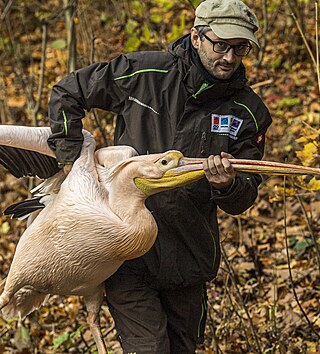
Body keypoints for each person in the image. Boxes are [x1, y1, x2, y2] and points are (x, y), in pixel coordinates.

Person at [46, 0, 272, 352]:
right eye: (221, 45)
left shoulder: (248, 112)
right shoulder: (145, 73)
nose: (230, 57)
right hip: (127, 251)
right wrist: (72, 162)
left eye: (240, 48)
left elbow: (245, 195)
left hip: (190, 257)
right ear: (196, 37)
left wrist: (227, 185)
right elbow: (68, 92)